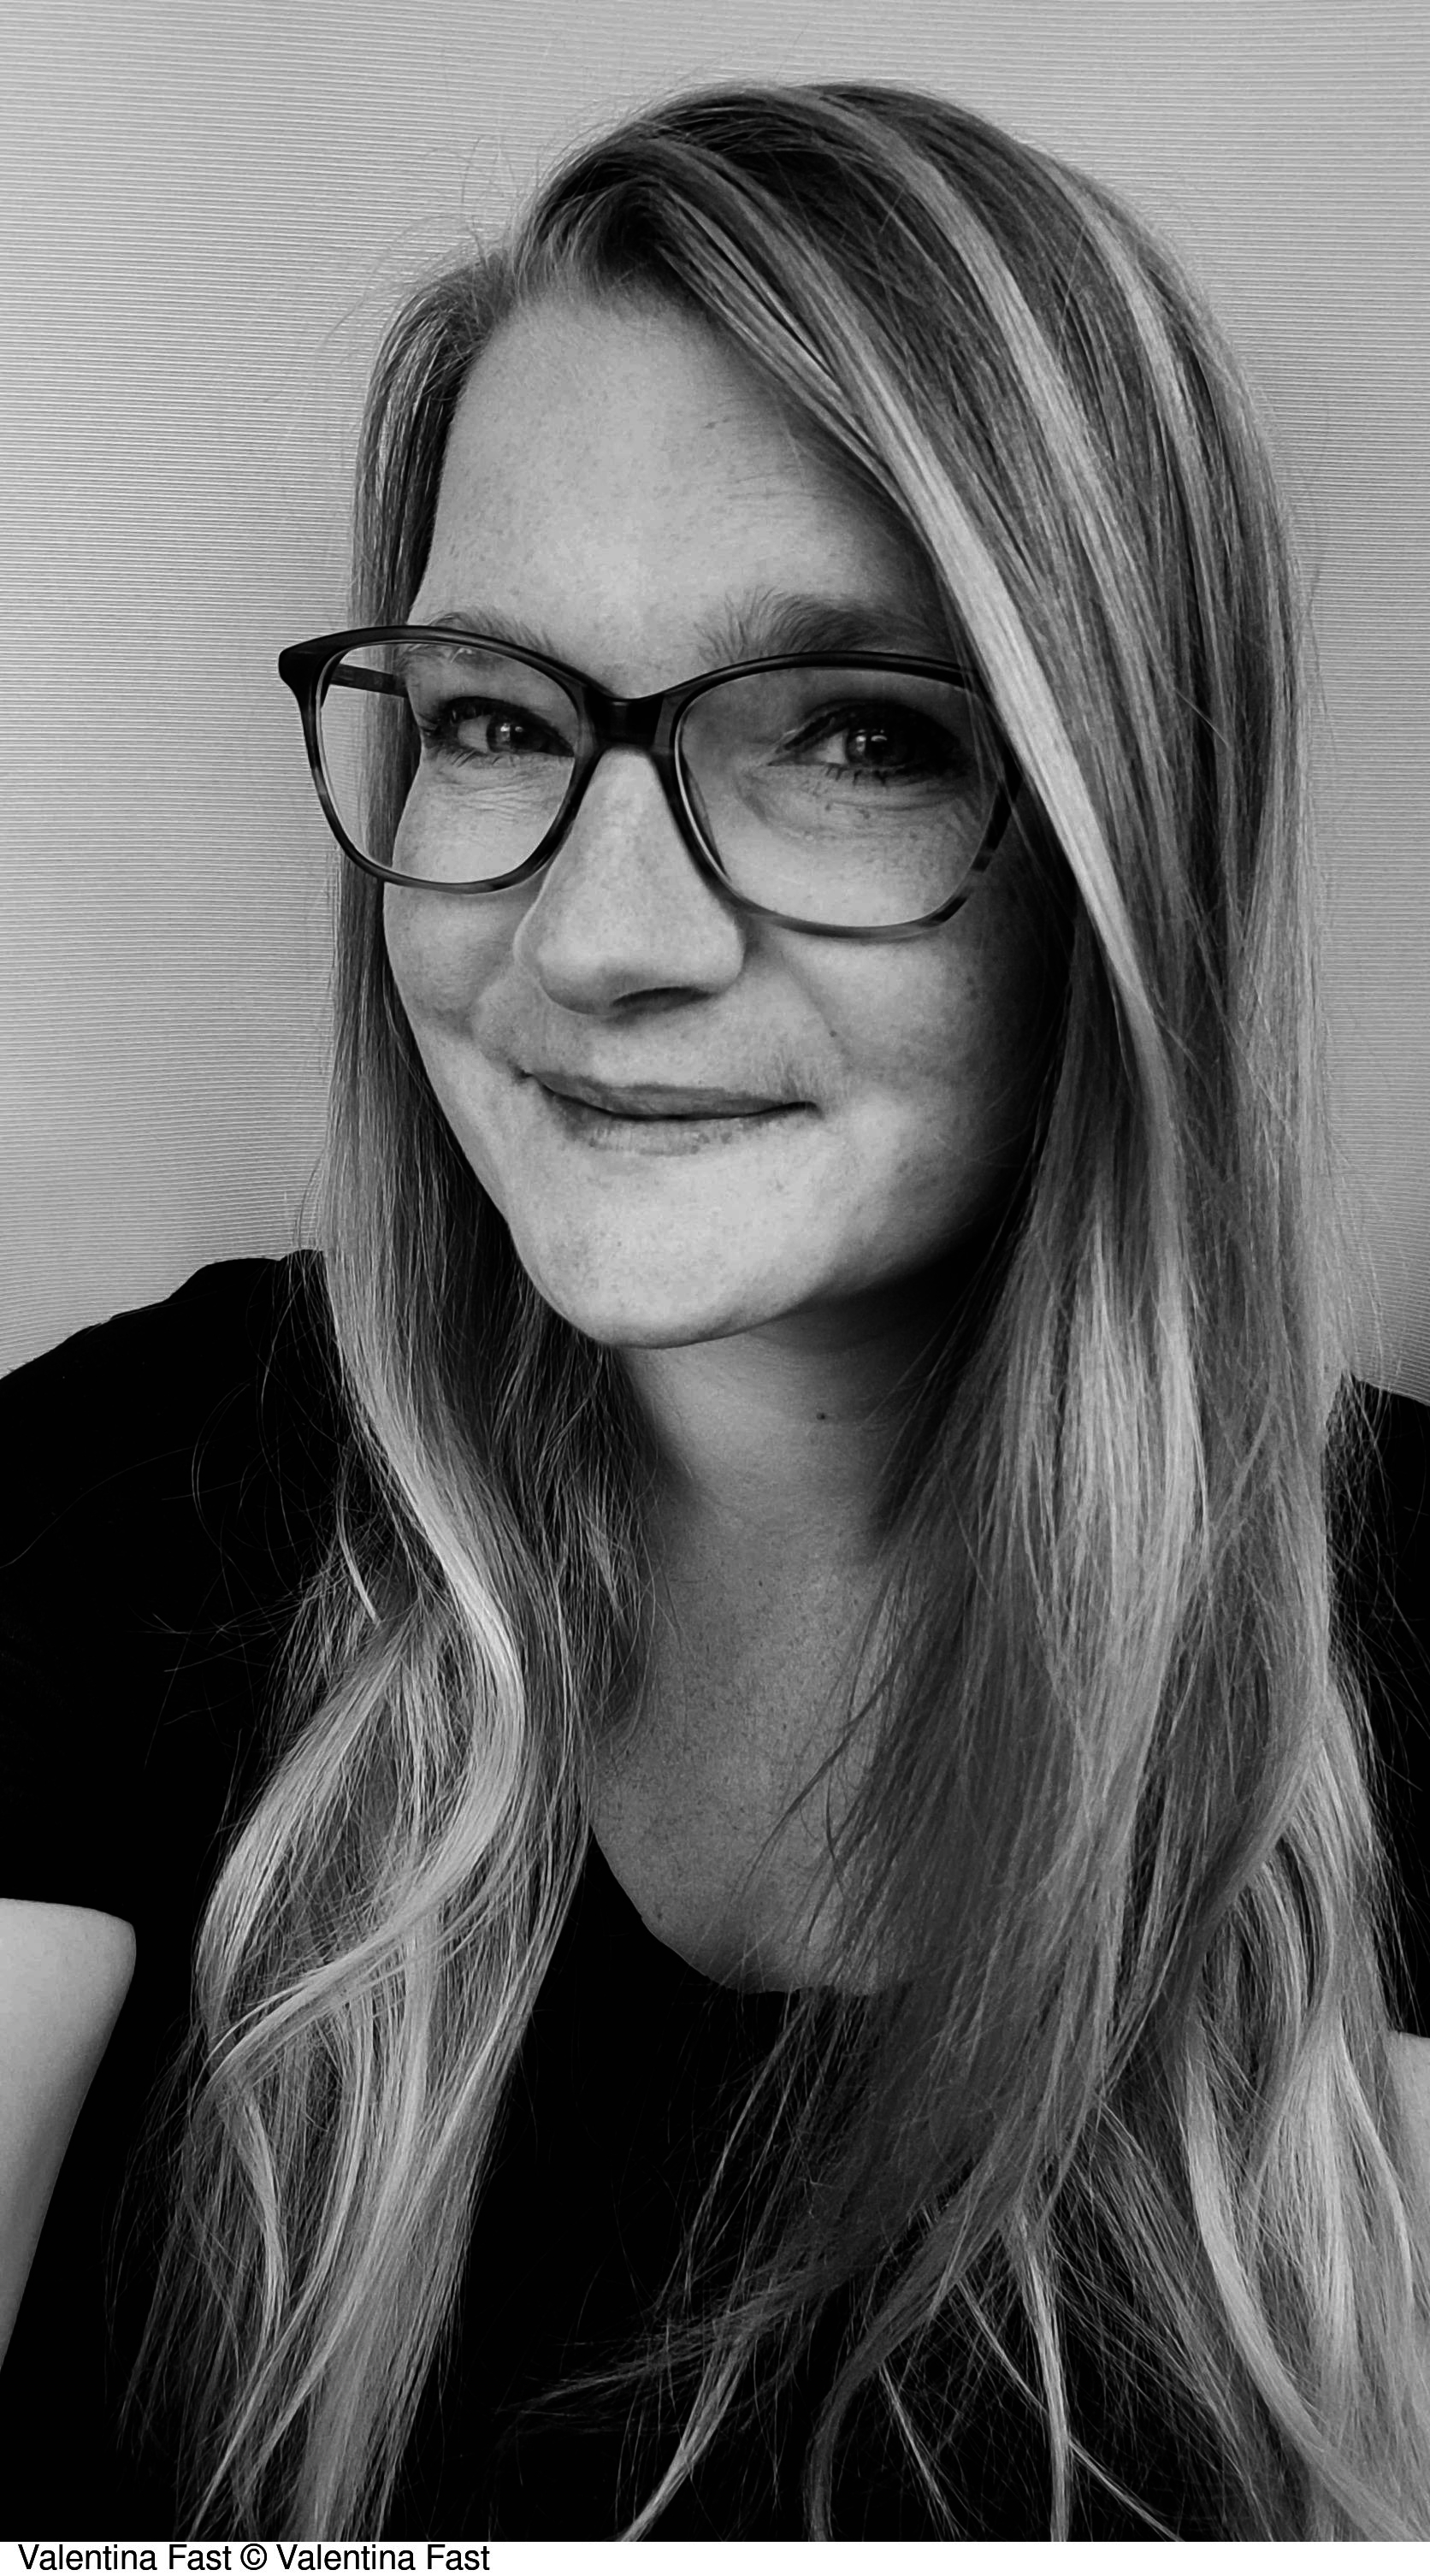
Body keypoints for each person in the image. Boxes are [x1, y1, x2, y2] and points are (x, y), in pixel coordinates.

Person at [2, 75, 1429, 2543]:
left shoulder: (1413, 1651)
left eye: (856, 737)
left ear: (1131, 829)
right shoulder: (132, 1502)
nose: (596, 938)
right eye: (493, 719)